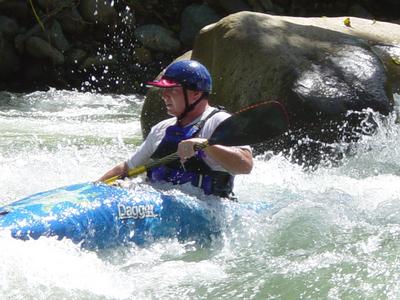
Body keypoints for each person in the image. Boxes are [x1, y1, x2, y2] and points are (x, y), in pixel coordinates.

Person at [98, 60, 253, 198]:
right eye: (164, 90)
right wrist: (94, 188)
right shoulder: (162, 128)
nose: (164, 95)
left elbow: (245, 165)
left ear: (196, 94)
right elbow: (127, 168)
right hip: (161, 205)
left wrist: (205, 145)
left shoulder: (219, 121)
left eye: (172, 89)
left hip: (206, 211)